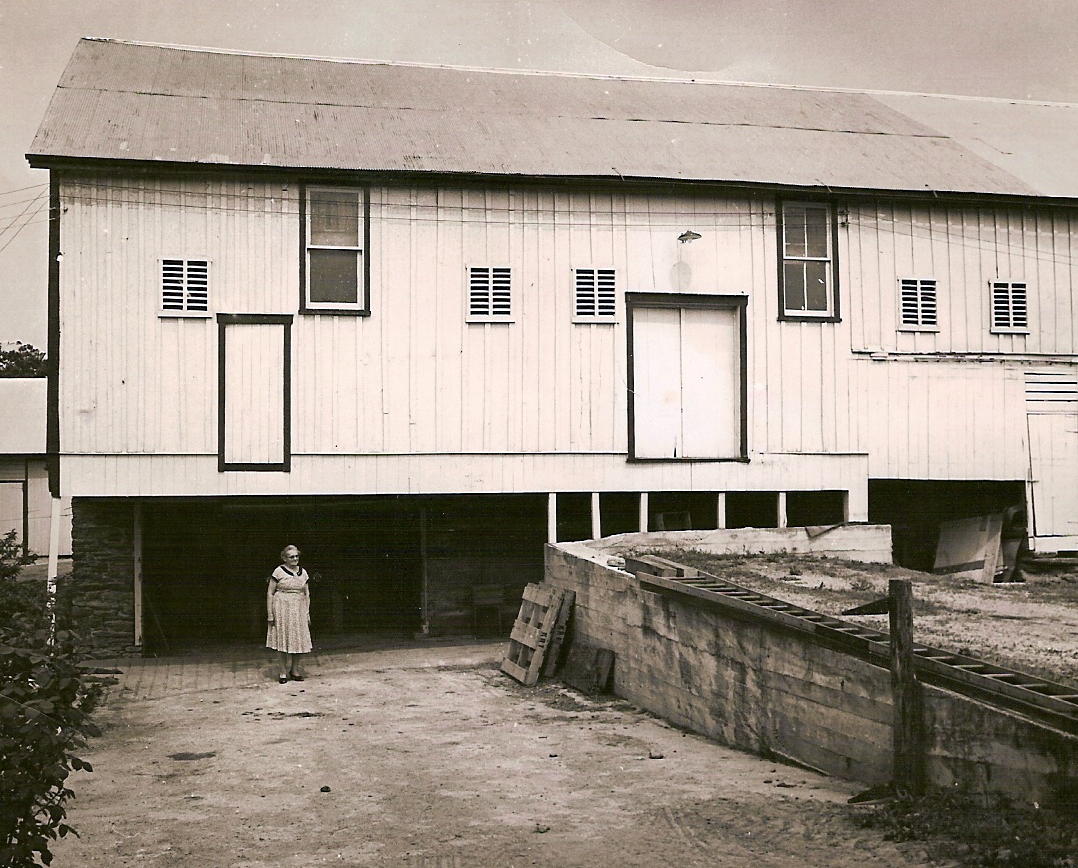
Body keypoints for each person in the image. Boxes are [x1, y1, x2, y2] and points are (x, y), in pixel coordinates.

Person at [266, 545, 312, 683]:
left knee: (298, 639)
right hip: (282, 608)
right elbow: (270, 593)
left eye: (297, 556)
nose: (295, 559)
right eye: (291, 557)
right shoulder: (278, 571)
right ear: (284, 558)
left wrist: (307, 612)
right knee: (283, 640)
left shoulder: (303, 572)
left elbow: (307, 593)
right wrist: (270, 614)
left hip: (298, 609)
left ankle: (295, 670)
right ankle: (282, 672)